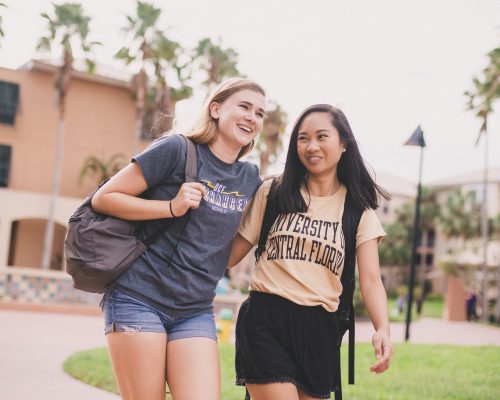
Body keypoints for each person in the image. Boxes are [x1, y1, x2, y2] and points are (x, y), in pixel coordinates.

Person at [91, 78, 266, 400]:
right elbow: (105, 198)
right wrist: (171, 206)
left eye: (259, 113)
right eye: (243, 106)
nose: (252, 117)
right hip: (137, 298)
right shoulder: (176, 149)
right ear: (215, 109)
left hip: (195, 309)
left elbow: (225, 251)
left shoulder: (249, 177)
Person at [228, 104, 394, 400]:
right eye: (303, 138)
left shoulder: (358, 213)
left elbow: (371, 280)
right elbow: (230, 255)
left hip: (320, 331)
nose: (311, 146)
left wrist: (383, 328)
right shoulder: (273, 193)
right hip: (266, 320)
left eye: (321, 136)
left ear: (343, 144)